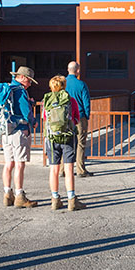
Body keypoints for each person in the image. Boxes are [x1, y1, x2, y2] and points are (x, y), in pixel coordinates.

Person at [42, 75, 86, 211]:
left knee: (54, 169)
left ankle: (55, 199)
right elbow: (77, 119)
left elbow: (45, 117)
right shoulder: (70, 100)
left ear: (51, 86)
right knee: (68, 169)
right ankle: (72, 200)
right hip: (67, 138)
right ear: (64, 86)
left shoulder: (47, 100)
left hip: (51, 139)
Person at [1, 66, 38, 208]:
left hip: (6, 130)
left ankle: (7, 194)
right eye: (29, 81)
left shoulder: (9, 89)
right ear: (22, 77)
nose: (29, 84)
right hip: (19, 131)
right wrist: (33, 122)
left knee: (8, 163)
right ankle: (20, 196)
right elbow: (25, 112)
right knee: (20, 163)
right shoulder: (21, 91)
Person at [65, 61, 93, 177]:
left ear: (68, 70)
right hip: (79, 117)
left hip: (65, 117)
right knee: (80, 143)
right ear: (77, 71)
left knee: (65, 142)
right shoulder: (81, 84)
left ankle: (62, 169)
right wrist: (87, 115)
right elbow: (86, 102)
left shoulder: (62, 83)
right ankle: (81, 169)